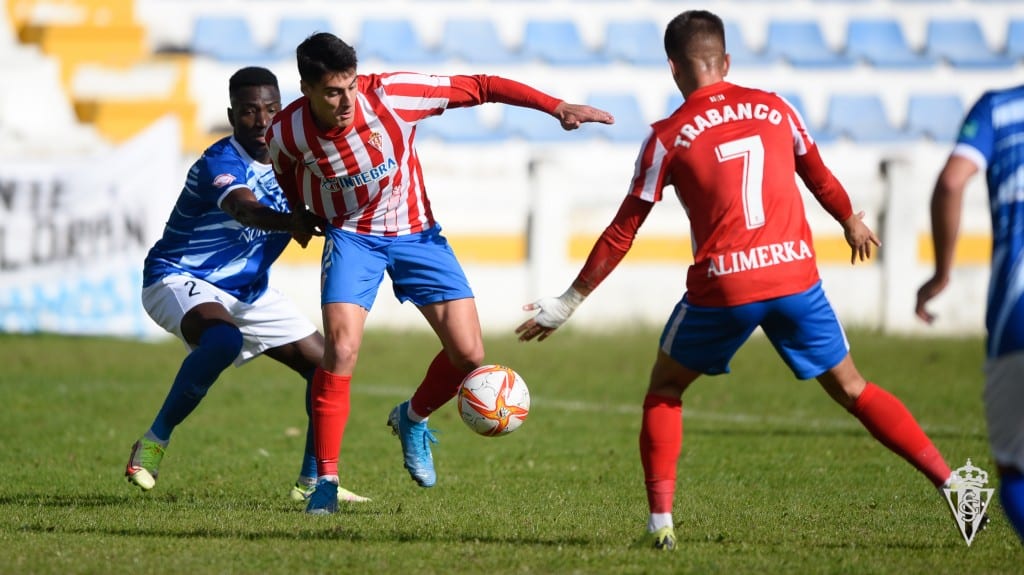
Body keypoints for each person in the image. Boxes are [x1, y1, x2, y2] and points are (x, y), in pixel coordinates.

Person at [516, 10, 960, 550]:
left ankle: (661, 528)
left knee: (665, 389)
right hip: (796, 277)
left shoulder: (667, 137)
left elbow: (622, 232)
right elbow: (817, 173)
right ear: (726, 61)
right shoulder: (776, 108)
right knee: (852, 388)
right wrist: (850, 220)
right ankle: (954, 486)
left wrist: (568, 301)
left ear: (674, 70)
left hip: (724, 287)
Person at [266, 32, 614, 515]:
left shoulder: (392, 94)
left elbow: (482, 84)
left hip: (416, 233)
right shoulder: (286, 132)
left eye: (350, 86)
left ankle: (412, 419)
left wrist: (556, 107)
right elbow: (285, 172)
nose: (345, 101)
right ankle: (326, 481)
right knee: (341, 349)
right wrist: (300, 214)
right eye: (331, 92)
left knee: (470, 354)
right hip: (351, 238)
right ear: (305, 89)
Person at [125, 66, 369, 506]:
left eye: (271, 110)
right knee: (222, 341)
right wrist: (292, 221)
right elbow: (244, 210)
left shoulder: (296, 160)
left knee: (328, 367)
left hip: (248, 290)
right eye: (249, 112)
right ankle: (153, 443)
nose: (261, 121)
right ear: (232, 115)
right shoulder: (221, 161)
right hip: (179, 277)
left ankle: (312, 482)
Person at [915, 84, 1024, 544]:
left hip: (1015, 315)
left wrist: (941, 274)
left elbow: (951, 181)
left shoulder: (999, 109)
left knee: (1014, 468)